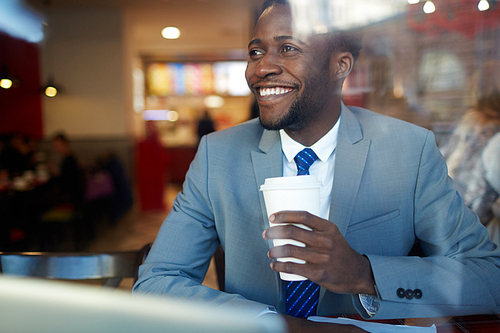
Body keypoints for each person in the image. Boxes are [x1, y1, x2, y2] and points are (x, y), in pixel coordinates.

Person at [134, 1, 500, 332]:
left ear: (340, 65)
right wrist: (274, 324)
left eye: (288, 48)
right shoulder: (218, 155)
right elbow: (155, 282)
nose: (262, 67)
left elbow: (488, 275)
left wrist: (364, 273)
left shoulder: (408, 150)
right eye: (255, 51)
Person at [440, 61, 500, 225]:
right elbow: (481, 197)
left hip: (447, 213)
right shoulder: (493, 134)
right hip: (470, 225)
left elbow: (440, 161)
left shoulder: (467, 123)